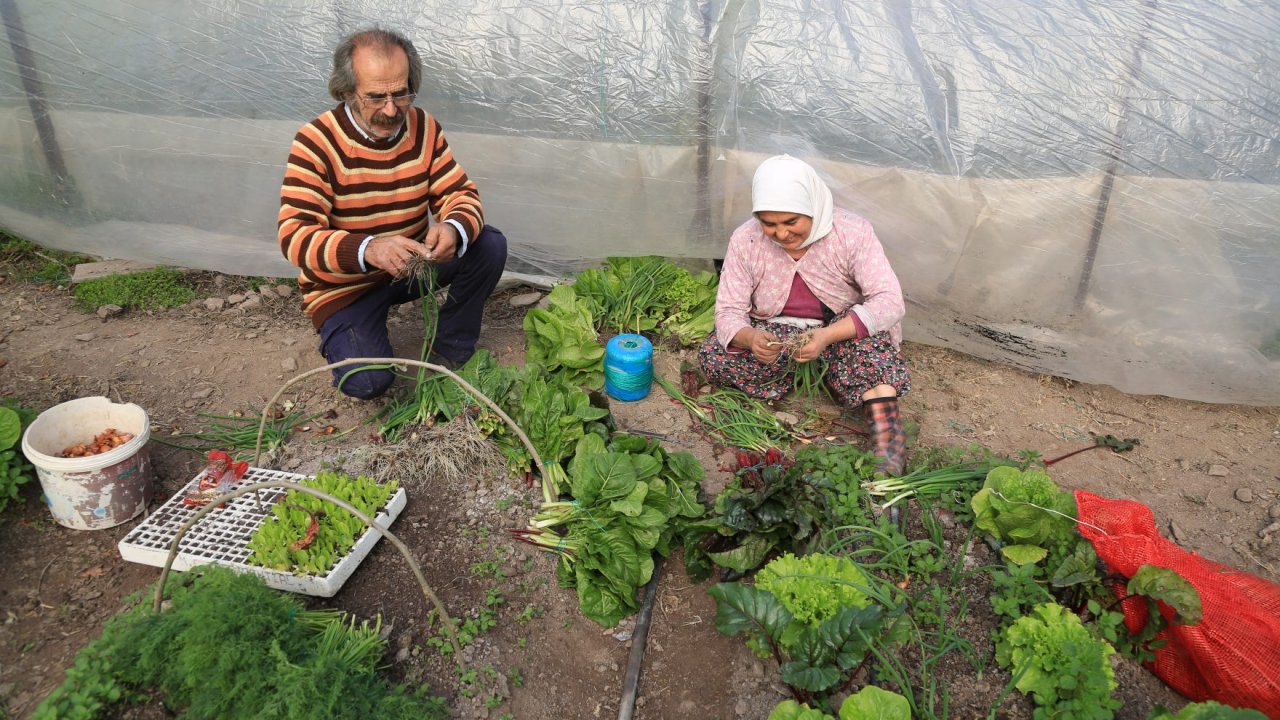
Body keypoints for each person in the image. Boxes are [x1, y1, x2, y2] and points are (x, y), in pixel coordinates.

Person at [278, 27, 508, 399]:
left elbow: (460, 193)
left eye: (400, 93)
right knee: (367, 381)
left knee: (488, 245)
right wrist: (369, 249)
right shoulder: (316, 142)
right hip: (345, 288)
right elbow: (295, 236)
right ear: (348, 91)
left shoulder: (423, 128)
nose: (390, 109)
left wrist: (453, 227)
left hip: (409, 266)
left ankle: (450, 350)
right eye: (375, 97)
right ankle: (353, 332)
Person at [698, 155, 911, 474]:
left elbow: (890, 301)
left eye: (791, 221)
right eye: (769, 224)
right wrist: (752, 338)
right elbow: (729, 311)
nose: (781, 234)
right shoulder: (746, 239)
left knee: (872, 355)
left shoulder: (852, 232)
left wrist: (826, 336)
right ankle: (831, 376)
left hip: (838, 332)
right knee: (714, 354)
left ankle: (889, 442)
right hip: (780, 336)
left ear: (813, 207)